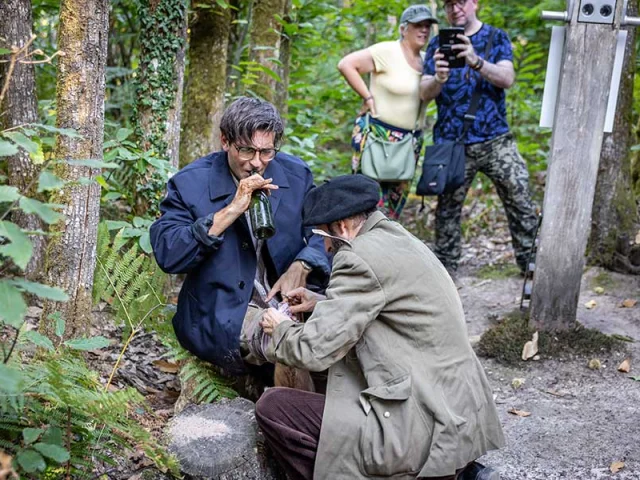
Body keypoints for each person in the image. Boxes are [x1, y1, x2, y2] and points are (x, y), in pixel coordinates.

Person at [255, 174, 505, 480]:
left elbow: (313, 351)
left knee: (274, 407)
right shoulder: (396, 238)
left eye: (324, 236)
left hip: (422, 421)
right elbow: (391, 307)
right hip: (457, 409)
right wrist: (322, 302)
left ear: (343, 227)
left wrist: (279, 327)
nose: (325, 247)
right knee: (335, 378)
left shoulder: (357, 257)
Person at [149, 97, 331, 379]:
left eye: (267, 152)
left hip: (290, 298)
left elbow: (326, 231)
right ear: (225, 141)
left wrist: (303, 264)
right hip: (226, 307)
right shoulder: (190, 183)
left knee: (346, 335)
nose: (257, 163)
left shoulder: (296, 175)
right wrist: (231, 210)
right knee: (288, 341)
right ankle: (290, 419)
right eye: (246, 150)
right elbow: (169, 253)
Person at [420, 0, 538, 275]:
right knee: (447, 210)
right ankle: (446, 270)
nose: (455, 9)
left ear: (475, 3)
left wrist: (475, 60)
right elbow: (424, 92)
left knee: (519, 196)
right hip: (453, 141)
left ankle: (531, 262)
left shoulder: (496, 37)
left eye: (461, 2)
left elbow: (507, 78)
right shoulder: (438, 43)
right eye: (449, 4)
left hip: (495, 138)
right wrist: (438, 77)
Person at [338, 5, 438, 220]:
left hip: (409, 142)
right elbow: (346, 64)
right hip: (378, 136)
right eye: (418, 25)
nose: (424, 30)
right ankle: (357, 249)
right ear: (403, 29)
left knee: (393, 210)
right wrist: (368, 97)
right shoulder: (387, 51)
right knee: (367, 203)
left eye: (427, 26)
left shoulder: (428, 59)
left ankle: (385, 250)